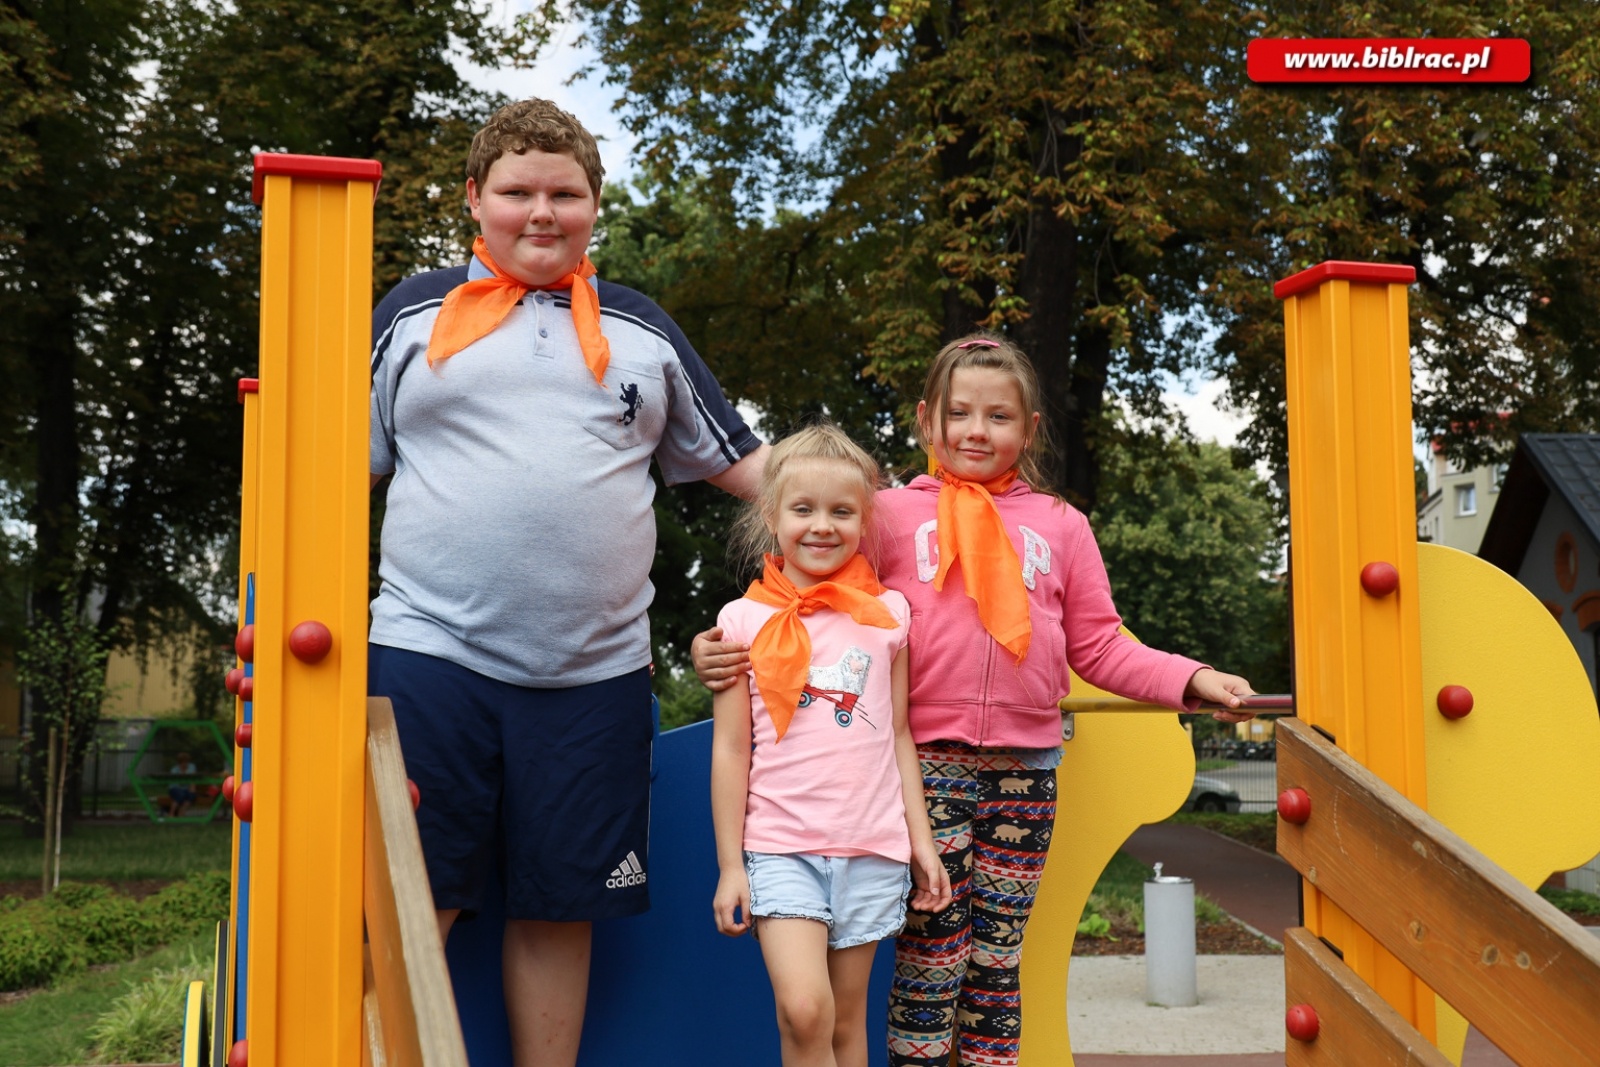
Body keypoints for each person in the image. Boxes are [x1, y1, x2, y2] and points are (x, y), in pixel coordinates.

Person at [694, 335, 1256, 1067]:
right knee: (931, 958)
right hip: (926, 767)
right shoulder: (888, 515)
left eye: (998, 416)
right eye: (959, 412)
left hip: (1027, 771)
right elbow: (813, 596)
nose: (976, 430)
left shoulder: (1061, 526)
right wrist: (718, 650)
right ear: (929, 420)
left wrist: (1191, 678)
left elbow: (1100, 646)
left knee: (995, 963)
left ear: (1030, 429)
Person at [367, 97, 768, 1067]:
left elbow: (749, 468)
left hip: (593, 674)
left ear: (594, 205)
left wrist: (899, 504)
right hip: (430, 654)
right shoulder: (411, 314)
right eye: (517, 192)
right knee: (415, 902)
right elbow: (332, 460)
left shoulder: (640, 328)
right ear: (475, 198)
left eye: (565, 193)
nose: (540, 212)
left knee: (562, 907)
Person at [710, 423, 952, 1067]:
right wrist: (731, 865)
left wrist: (921, 843)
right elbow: (732, 751)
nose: (822, 526)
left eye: (842, 511)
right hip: (781, 848)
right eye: (804, 509)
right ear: (771, 514)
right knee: (804, 1010)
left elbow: (897, 732)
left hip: (873, 849)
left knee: (845, 1025)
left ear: (864, 519)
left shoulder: (888, 615)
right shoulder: (740, 621)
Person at [166, 751, 198, 818]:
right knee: (180, 795)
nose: (184, 764)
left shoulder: (192, 767)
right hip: (175, 788)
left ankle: (181, 813)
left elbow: (193, 777)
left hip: (186, 788)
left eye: (186, 762)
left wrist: (192, 786)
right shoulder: (174, 770)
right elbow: (177, 782)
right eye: (182, 762)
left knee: (191, 796)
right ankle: (171, 813)